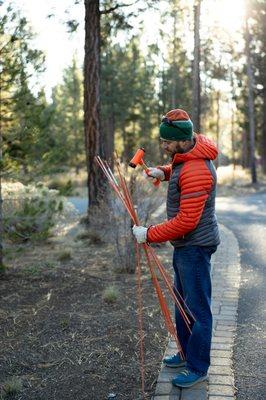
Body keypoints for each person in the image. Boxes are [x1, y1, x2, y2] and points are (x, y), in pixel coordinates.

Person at [132, 108, 220, 388]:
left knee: (198, 310)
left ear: (183, 140)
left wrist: (149, 234)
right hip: (187, 247)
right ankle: (185, 353)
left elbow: (185, 222)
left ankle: (198, 367)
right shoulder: (189, 155)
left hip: (194, 247)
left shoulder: (198, 171)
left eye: (167, 142)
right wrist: (165, 171)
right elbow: (182, 167)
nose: (163, 146)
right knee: (183, 304)